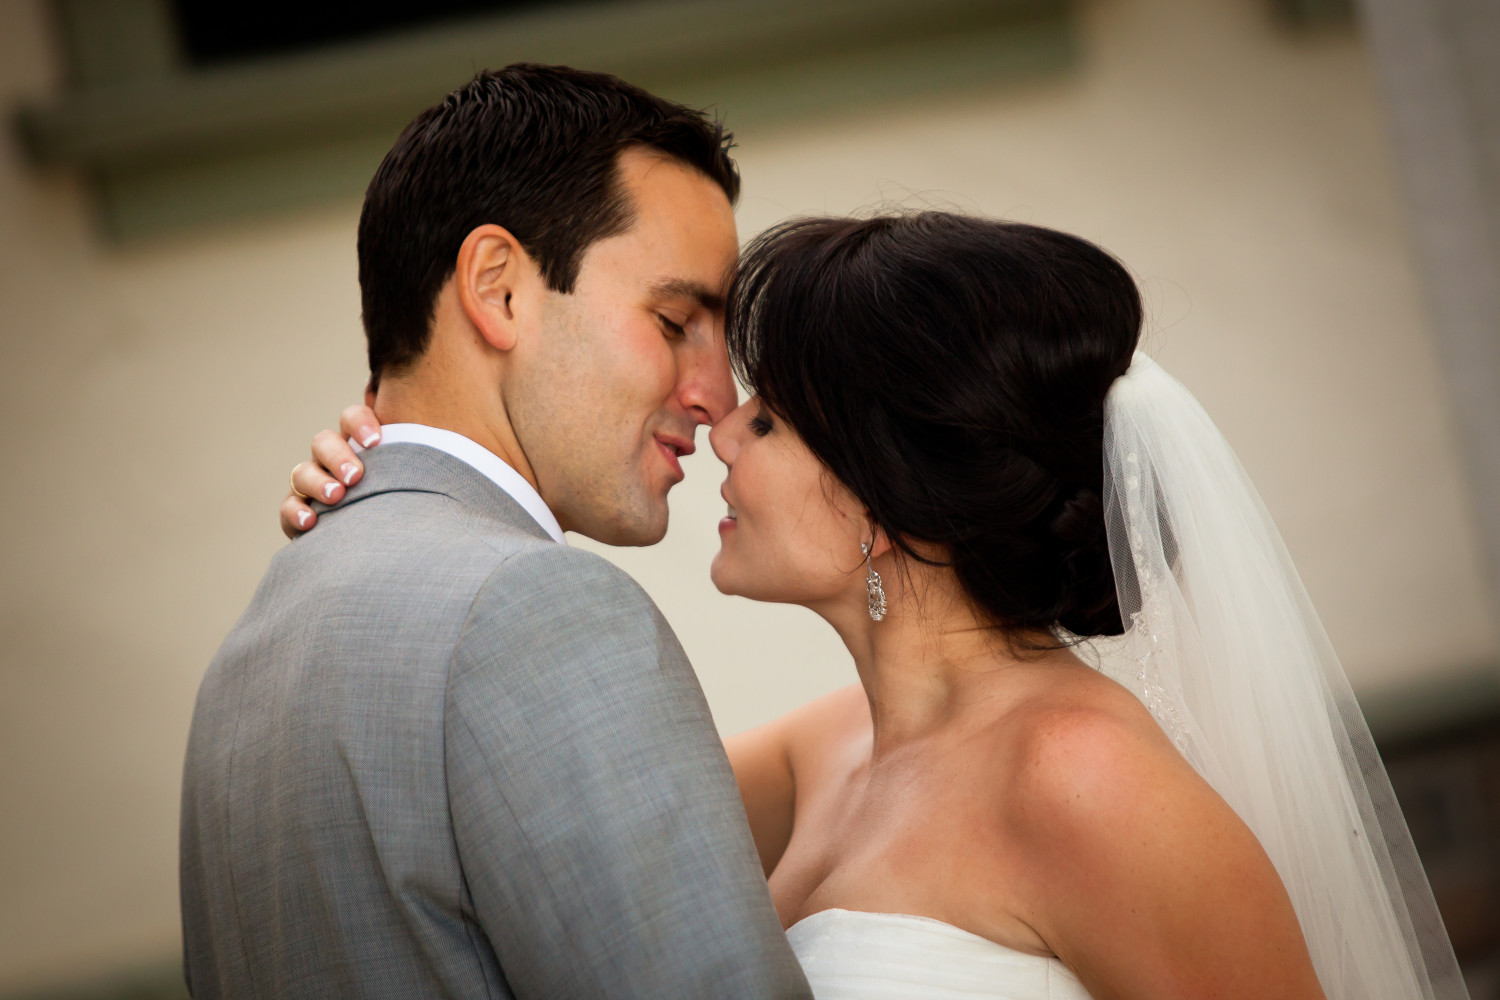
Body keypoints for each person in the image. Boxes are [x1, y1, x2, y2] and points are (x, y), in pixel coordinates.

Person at [292, 213, 1467, 999]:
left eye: (769, 418)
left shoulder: (1081, 773)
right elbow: (511, 804)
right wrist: (404, 468)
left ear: (885, 485)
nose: (716, 433)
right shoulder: (820, 750)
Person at [182, 64, 812, 999]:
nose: (717, 394)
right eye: (677, 319)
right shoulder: (535, 612)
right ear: (499, 288)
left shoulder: (251, 651)